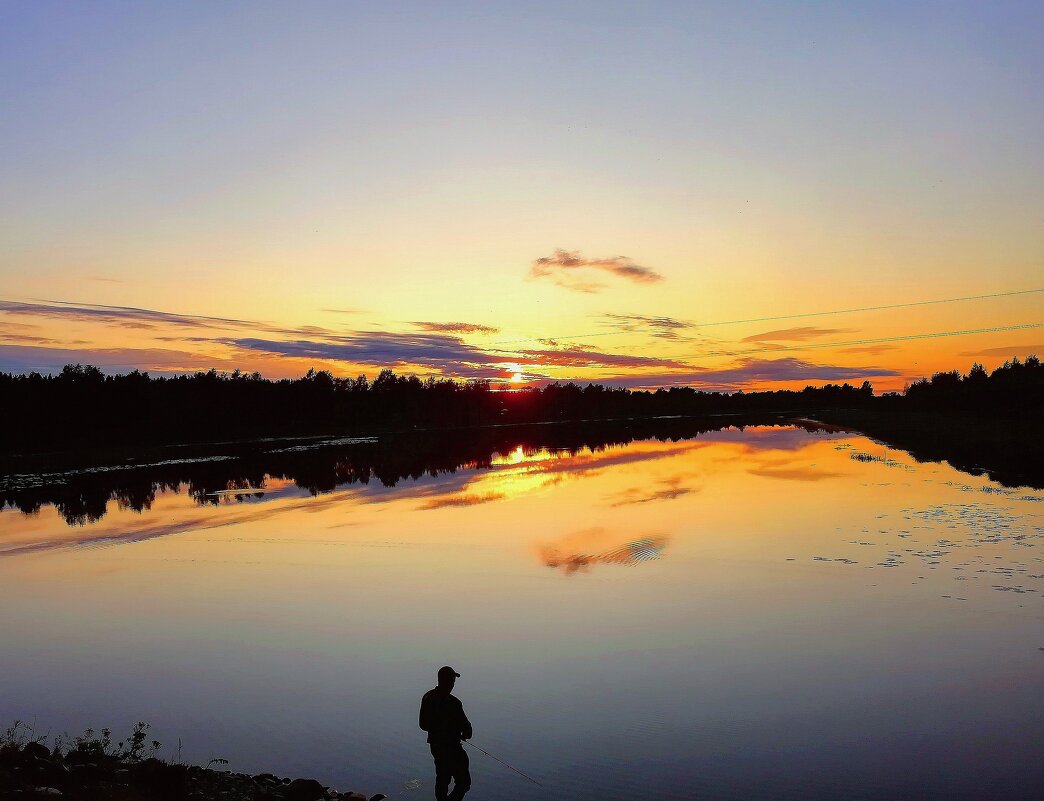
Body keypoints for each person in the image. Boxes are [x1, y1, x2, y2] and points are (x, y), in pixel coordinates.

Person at [419, 665, 473, 801]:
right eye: (452, 681)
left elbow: (423, 725)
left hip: (436, 747)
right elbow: (468, 731)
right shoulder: (454, 703)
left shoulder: (427, 697)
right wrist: (454, 731)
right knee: (464, 782)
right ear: (447, 681)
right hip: (452, 748)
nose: (453, 684)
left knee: (442, 779)